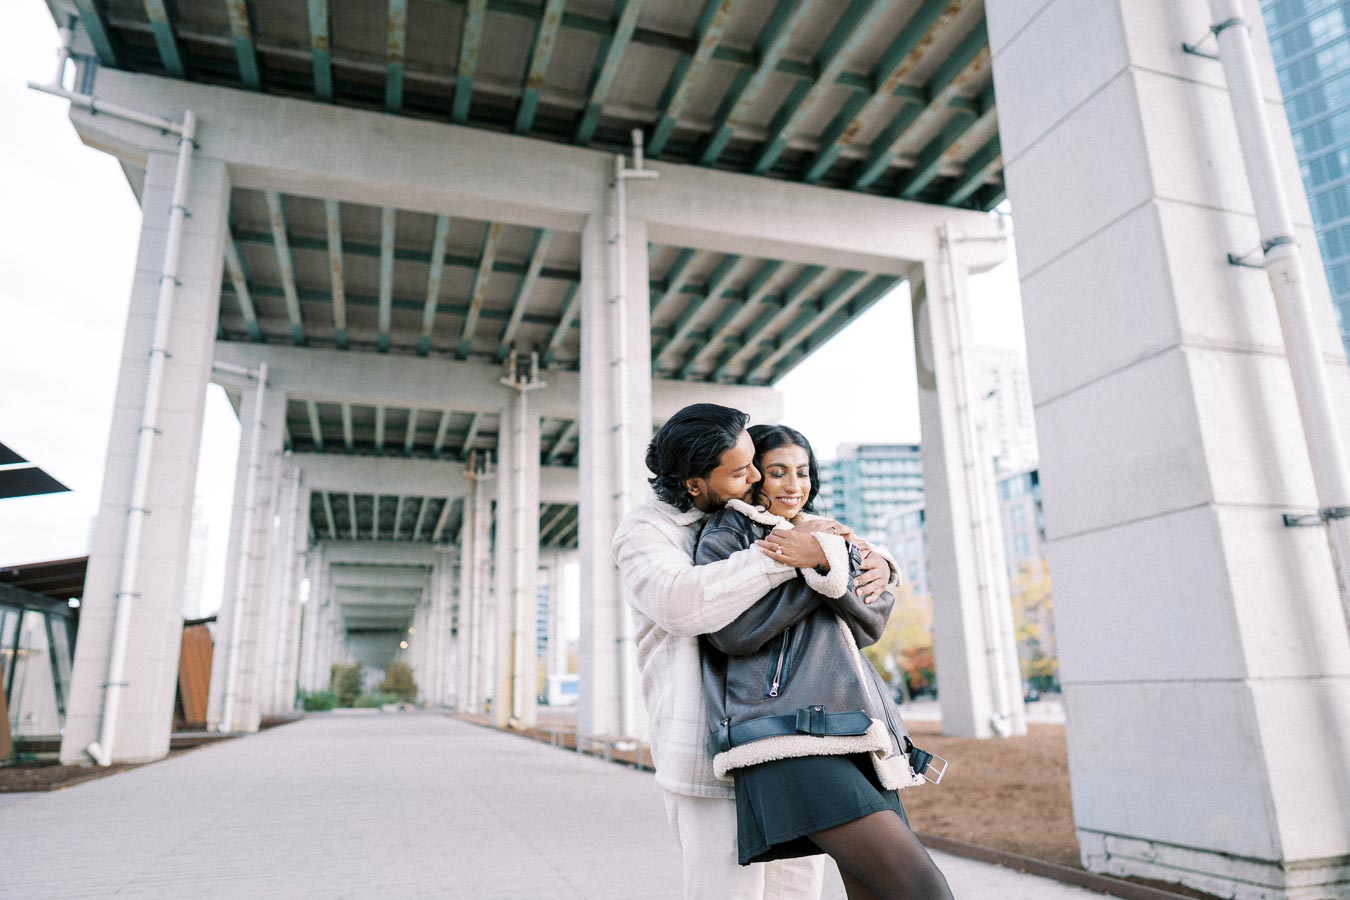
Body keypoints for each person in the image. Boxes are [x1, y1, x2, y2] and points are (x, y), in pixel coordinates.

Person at [613, 404, 895, 900]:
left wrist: (877, 561)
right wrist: (789, 555)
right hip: (704, 751)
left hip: (781, 745)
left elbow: (831, 540)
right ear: (695, 483)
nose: (756, 478)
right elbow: (683, 605)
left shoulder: (754, 518)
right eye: (742, 471)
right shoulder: (646, 532)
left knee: (798, 893)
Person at [696, 424, 953, 900]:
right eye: (777, 473)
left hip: (854, 732)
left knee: (877, 892)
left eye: (802, 472)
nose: (794, 485)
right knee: (923, 890)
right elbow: (732, 632)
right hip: (785, 737)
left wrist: (832, 558)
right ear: (753, 477)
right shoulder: (727, 534)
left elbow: (869, 624)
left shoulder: (827, 536)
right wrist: (814, 566)